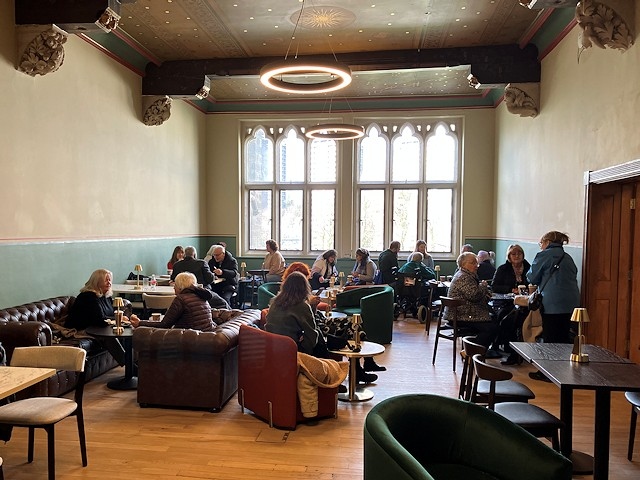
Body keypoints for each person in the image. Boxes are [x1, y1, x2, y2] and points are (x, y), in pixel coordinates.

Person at [266, 272, 377, 384]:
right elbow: (312, 334)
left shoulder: (275, 302)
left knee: (332, 332)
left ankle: (349, 373)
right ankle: (342, 375)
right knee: (333, 332)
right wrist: (308, 350)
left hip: (276, 348)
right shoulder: (300, 305)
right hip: (294, 349)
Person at [527, 231, 580, 381]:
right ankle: (562, 371)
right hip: (571, 302)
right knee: (563, 336)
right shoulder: (568, 258)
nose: (541, 246)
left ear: (548, 242)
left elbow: (531, 277)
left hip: (552, 302)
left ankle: (547, 372)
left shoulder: (544, 255)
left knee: (550, 336)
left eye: (541, 243)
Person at [65, 269, 126, 365]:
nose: (109, 283)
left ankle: (135, 363)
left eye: (110, 280)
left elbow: (110, 315)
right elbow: (99, 320)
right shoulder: (88, 297)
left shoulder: (106, 296)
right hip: (83, 329)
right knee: (109, 337)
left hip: (98, 327)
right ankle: (129, 366)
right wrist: (117, 319)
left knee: (124, 332)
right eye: (106, 280)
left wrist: (120, 318)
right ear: (97, 282)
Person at [443, 252, 499, 355]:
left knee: (495, 319)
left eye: (476, 263)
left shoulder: (464, 274)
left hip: (461, 312)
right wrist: (483, 286)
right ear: (463, 264)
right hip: (461, 315)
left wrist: (484, 292)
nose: (476, 266)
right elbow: (474, 295)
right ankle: (471, 352)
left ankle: (480, 350)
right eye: (473, 263)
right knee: (491, 328)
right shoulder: (464, 277)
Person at [130, 272, 217, 331]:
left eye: (175, 284)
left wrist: (140, 323)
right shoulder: (201, 296)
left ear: (180, 286)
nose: (173, 287)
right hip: (205, 337)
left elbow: (165, 325)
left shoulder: (181, 299)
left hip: (187, 339)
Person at [491, 244, 531, 365]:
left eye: (519, 253)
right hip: (505, 302)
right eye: (513, 254)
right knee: (506, 316)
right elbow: (495, 286)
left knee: (522, 317)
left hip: (525, 302)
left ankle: (518, 350)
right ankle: (506, 345)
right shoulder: (503, 269)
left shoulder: (529, 267)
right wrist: (510, 289)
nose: (517, 256)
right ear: (509, 256)